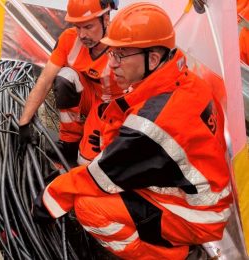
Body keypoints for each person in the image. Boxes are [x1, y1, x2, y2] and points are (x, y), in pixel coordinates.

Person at [32, 3, 233, 259]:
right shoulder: (185, 78)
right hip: (201, 194)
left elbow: (101, 176)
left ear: (153, 58)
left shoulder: (154, 124)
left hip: (197, 214)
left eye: (121, 54)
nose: (112, 64)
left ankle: (166, 255)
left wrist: (49, 200)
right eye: (112, 53)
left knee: (89, 207)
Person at [19, 0, 124, 165]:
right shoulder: (69, 39)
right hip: (89, 95)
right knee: (65, 77)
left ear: (106, 19)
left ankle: (87, 140)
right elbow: (45, 80)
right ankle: (70, 142)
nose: (82, 35)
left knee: (85, 163)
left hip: (110, 106)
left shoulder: (122, 46)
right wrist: (24, 122)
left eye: (88, 27)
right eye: (77, 26)